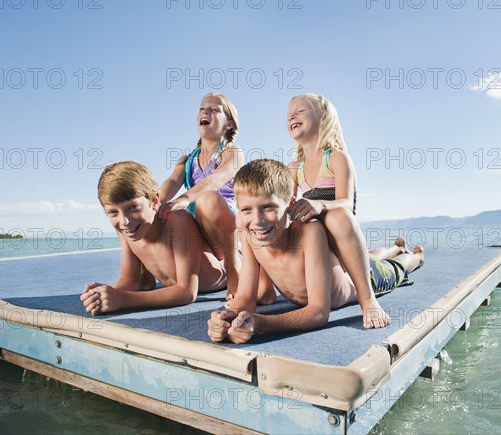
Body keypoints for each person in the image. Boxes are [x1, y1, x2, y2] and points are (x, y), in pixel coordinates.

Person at [207, 159, 425, 344]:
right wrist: (227, 317)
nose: (257, 220)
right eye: (246, 210)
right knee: (370, 256)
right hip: (345, 268)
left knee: (395, 267)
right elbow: (245, 296)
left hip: (366, 279)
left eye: (269, 208)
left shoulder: (309, 232)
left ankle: (412, 255)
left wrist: (260, 323)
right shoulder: (249, 236)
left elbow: (319, 312)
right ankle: (392, 247)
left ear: (290, 204)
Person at [281, 93, 391, 326]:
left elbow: (346, 203)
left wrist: (320, 204)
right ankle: (394, 248)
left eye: (300, 111)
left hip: (345, 245)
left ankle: (377, 290)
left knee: (392, 268)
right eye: (289, 115)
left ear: (322, 116)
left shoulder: (337, 158)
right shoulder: (294, 167)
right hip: (327, 251)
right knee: (375, 257)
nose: (292, 116)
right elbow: (285, 210)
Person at [80, 161, 226, 315]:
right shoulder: (126, 229)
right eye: (113, 212)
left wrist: (123, 300)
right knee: (142, 283)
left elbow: (186, 292)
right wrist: (106, 293)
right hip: (178, 285)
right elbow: (130, 281)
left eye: (133, 207)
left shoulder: (177, 220)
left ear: (155, 201)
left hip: (222, 277)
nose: (124, 221)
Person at [159, 93, 243, 298]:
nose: (205, 111)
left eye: (215, 109)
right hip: (198, 227)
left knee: (208, 198)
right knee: (164, 213)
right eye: (202, 108)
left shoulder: (233, 152)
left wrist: (187, 197)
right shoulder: (187, 159)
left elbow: (215, 180)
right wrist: (157, 203)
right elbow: (171, 182)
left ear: (229, 124)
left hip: (224, 226)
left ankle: (234, 270)